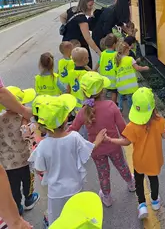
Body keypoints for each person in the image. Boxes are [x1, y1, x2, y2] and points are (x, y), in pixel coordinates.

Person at [28, 93, 107, 226]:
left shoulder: (43, 146)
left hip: (56, 192)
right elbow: (88, 150)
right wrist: (98, 140)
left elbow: (39, 169)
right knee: (76, 218)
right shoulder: (74, 137)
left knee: (59, 220)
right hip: (75, 187)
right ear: (65, 120)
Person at [69, 72, 135, 207]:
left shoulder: (83, 112)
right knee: (121, 165)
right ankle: (131, 184)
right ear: (103, 90)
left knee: (103, 173)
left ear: (84, 92)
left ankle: (107, 197)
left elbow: (72, 130)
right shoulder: (111, 105)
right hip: (114, 146)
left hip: (96, 149)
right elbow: (123, 129)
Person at [106, 87, 165, 220]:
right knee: (153, 180)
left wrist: (111, 140)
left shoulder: (133, 126)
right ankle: (155, 202)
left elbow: (126, 142)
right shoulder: (159, 122)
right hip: (154, 160)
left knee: (139, 182)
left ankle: (142, 205)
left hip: (139, 161)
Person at [0, 87, 39, 215]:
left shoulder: (0, 119)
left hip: (7, 164)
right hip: (23, 160)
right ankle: (28, 199)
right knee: (27, 181)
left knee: (13, 187)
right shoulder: (22, 119)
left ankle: (17, 207)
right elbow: (28, 135)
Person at [60, 0, 101, 69]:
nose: (91, 8)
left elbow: (62, 16)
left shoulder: (72, 9)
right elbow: (88, 38)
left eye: (92, 5)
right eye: (90, 5)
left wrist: (66, 25)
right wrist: (99, 52)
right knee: (84, 68)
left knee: (69, 68)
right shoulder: (82, 19)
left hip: (67, 45)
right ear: (84, 5)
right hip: (79, 48)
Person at [115, 41, 149, 112]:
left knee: (121, 96)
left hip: (120, 85)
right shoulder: (130, 59)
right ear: (126, 51)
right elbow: (137, 68)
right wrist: (145, 68)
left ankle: (120, 108)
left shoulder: (116, 60)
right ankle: (131, 111)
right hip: (130, 86)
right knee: (129, 98)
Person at [94, 34, 118, 104]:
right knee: (114, 93)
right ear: (114, 44)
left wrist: (94, 70)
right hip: (114, 79)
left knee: (104, 92)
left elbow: (99, 62)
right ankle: (113, 105)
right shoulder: (116, 54)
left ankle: (103, 103)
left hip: (104, 77)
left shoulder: (103, 54)